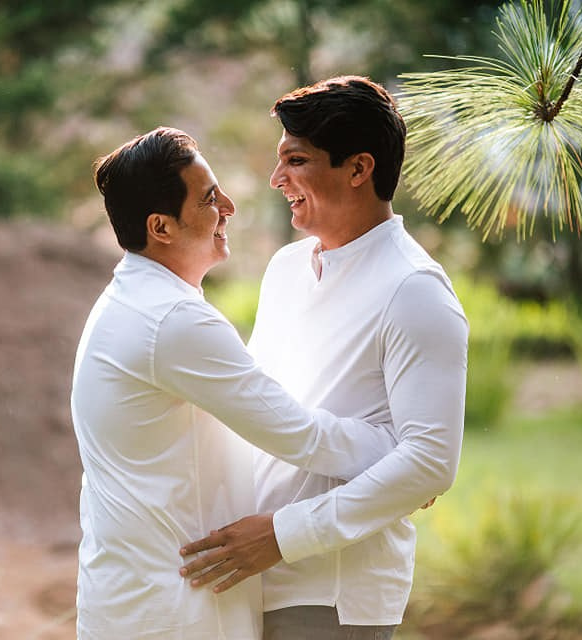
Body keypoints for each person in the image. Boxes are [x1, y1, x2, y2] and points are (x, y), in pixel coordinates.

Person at [71, 126, 398, 639]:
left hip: (140, 604)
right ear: (162, 226)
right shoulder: (170, 320)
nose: (229, 206)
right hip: (175, 615)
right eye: (208, 198)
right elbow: (296, 433)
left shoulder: (134, 302)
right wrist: (398, 458)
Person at [178, 76, 469, 639]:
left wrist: (282, 536)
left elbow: (431, 462)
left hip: (332, 595)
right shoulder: (285, 269)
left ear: (358, 169)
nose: (276, 179)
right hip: (249, 579)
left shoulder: (416, 291)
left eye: (296, 160)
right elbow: (258, 408)